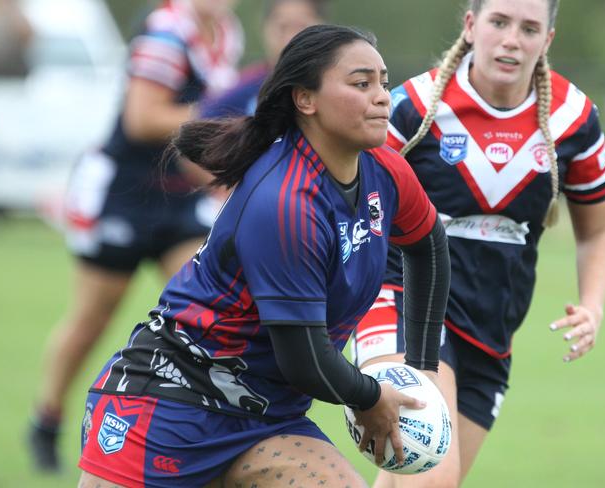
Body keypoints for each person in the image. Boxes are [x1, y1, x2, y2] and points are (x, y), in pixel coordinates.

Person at [76, 24, 452, 487]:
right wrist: (371, 396)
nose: (382, 96)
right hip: (167, 408)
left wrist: (421, 369)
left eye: (382, 81)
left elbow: (428, 245)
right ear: (305, 99)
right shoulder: (287, 202)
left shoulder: (385, 171)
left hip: (266, 417)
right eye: (361, 83)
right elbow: (306, 359)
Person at [352, 0, 605, 486]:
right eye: (499, 22)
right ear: (471, 26)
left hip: (492, 328)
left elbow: (597, 229)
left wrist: (593, 306)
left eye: (529, 28)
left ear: (547, 40)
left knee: (418, 479)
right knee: (428, 472)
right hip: (402, 298)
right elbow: (352, 194)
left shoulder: (575, 120)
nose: (512, 39)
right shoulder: (413, 106)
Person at [28, 0, 244, 472]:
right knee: (92, 318)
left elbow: (196, 135)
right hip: (122, 195)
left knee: (208, 309)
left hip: (179, 196)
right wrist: (226, 115)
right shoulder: (167, 33)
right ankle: (46, 421)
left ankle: (203, 432)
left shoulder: (226, 33)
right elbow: (142, 119)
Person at [199, 0, 326, 118]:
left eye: (300, 27)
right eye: (283, 27)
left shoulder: (333, 88)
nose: (291, 38)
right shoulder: (243, 89)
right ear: (265, 28)